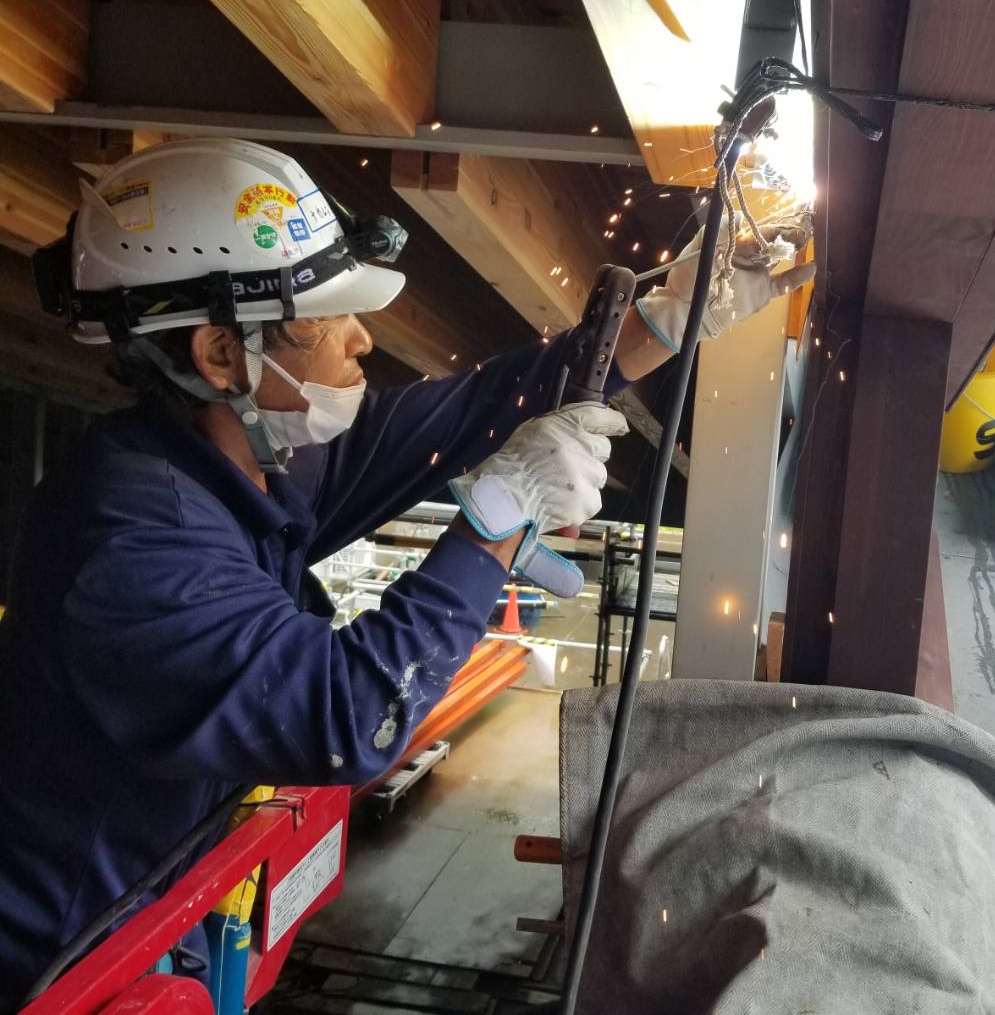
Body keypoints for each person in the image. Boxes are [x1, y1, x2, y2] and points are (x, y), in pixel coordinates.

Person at [0, 138, 814, 1005]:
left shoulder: (241, 461)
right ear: (220, 355)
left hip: (152, 923)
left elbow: (479, 409)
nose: (361, 338)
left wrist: (671, 315)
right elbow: (350, 715)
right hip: (56, 973)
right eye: (325, 318)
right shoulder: (133, 539)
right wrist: (493, 522)